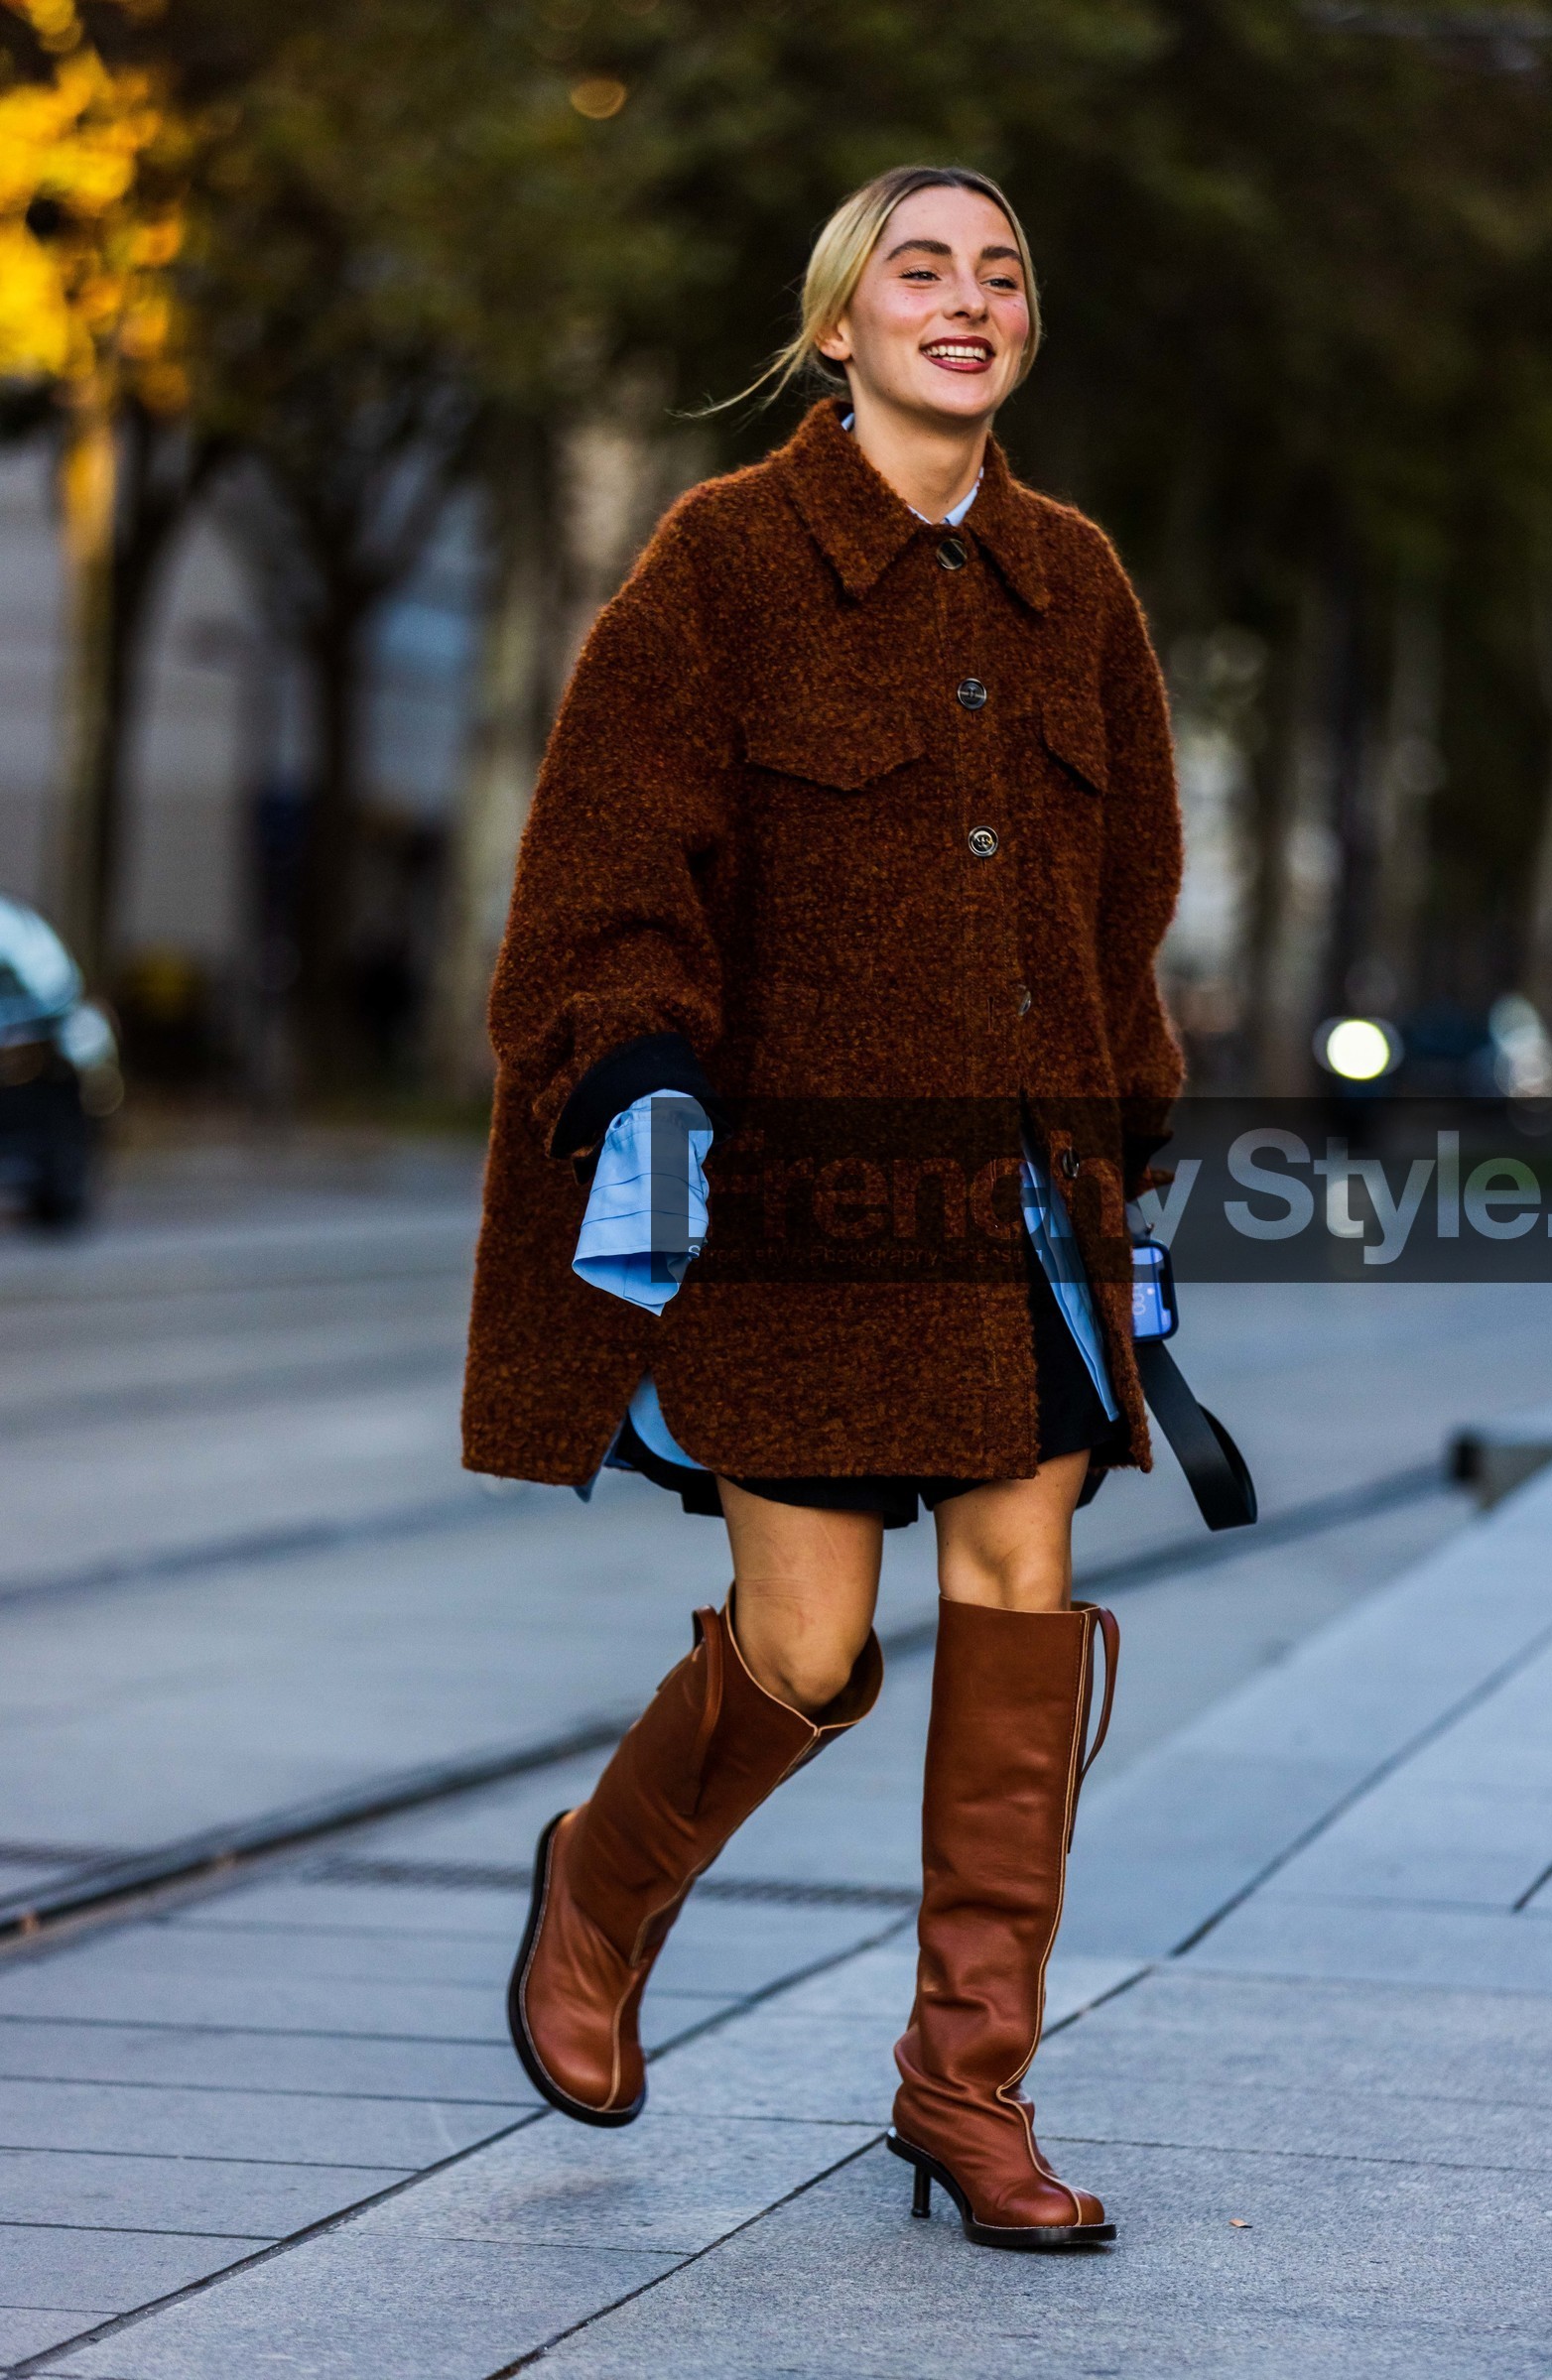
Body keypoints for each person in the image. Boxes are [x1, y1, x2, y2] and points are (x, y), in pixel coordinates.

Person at [462, 163, 1183, 2251]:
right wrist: (647, 1072)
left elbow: (1117, 914)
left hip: (1025, 1204)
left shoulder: (1078, 581)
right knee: (803, 1644)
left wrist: (1129, 1166)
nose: (963, 301)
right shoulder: (720, 562)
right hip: (794, 1206)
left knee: (1018, 1584)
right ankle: (596, 1888)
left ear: (1024, 330)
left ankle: (965, 2095)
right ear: (836, 327)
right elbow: (605, 872)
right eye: (916, 272)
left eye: (1001, 275)